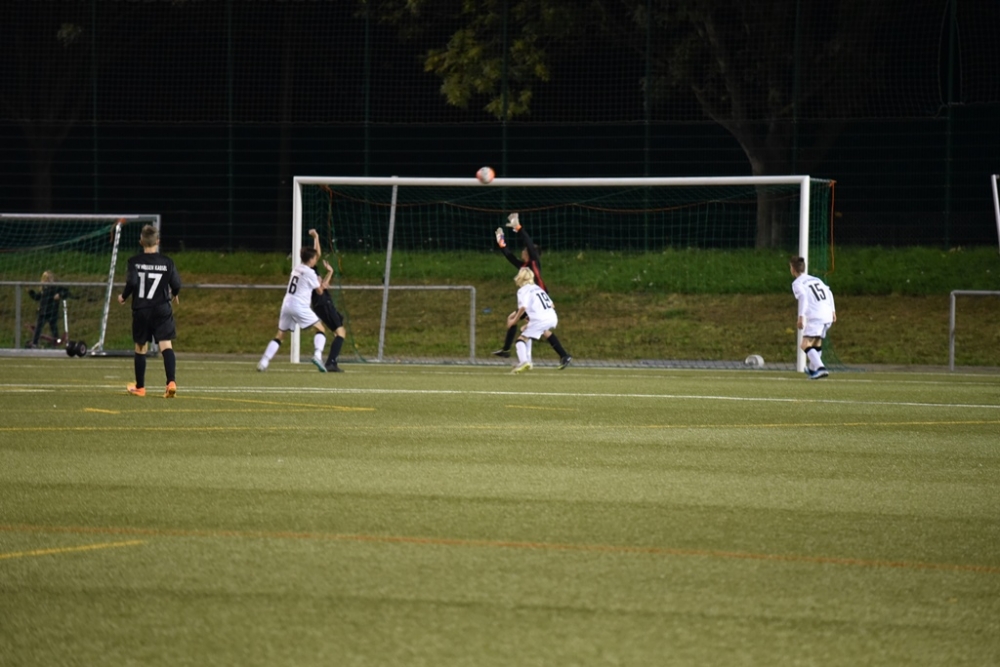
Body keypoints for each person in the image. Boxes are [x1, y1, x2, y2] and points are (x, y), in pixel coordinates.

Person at [493, 212, 572, 369]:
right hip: (536, 299)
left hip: (537, 298)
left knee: (517, 321)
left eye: (524, 250)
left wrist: (518, 228)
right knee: (539, 328)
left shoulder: (534, 262)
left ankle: (512, 352)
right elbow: (509, 256)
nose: (522, 251)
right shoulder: (523, 267)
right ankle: (563, 355)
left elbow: (529, 243)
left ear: (529, 253)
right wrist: (501, 243)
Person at [118, 224, 182, 397]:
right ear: (158, 241)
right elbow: (176, 284)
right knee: (166, 345)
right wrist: (175, 293)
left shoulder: (134, 261)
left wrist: (123, 296)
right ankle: (171, 382)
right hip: (162, 309)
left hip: (142, 309)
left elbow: (132, 282)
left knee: (140, 347)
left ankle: (140, 387)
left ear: (141, 241)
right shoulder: (167, 262)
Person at [257, 229, 332, 373]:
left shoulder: (296, 268)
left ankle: (264, 361)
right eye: (315, 258)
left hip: (287, 304)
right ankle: (317, 356)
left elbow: (316, 254)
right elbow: (320, 291)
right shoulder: (310, 273)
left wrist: (316, 238)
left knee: (280, 335)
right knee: (320, 329)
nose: (316, 259)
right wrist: (325, 279)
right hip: (299, 305)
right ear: (311, 260)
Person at [789, 256, 836, 379]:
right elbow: (829, 292)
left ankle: (821, 368)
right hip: (827, 315)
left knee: (805, 344)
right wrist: (833, 311)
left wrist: (801, 317)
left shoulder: (797, 283)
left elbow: (803, 297)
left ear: (793, 269)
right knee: (816, 342)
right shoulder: (816, 279)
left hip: (816, 316)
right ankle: (812, 369)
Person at [507, 267, 559, 374]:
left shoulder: (522, 290)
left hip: (541, 319)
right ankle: (528, 361)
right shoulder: (538, 288)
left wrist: (514, 320)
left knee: (520, 340)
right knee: (525, 331)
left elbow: (523, 307)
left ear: (520, 278)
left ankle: (524, 362)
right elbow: (552, 305)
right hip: (552, 317)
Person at [309, 236, 347, 372]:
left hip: (322, 304)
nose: (317, 258)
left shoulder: (311, 271)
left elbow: (323, 285)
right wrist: (316, 237)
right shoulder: (310, 272)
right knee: (340, 332)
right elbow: (321, 288)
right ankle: (331, 363)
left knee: (339, 329)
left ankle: (331, 361)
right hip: (323, 303)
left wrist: (330, 272)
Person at [27, 270, 69, 348]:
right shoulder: (43, 290)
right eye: (46, 279)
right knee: (38, 328)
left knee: (53, 328)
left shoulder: (56, 288)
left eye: (49, 278)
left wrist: (59, 295)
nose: (48, 280)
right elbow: (37, 297)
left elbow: (66, 291)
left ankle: (56, 343)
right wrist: (31, 292)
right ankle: (35, 343)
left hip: (52, 311)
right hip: (43, 312)